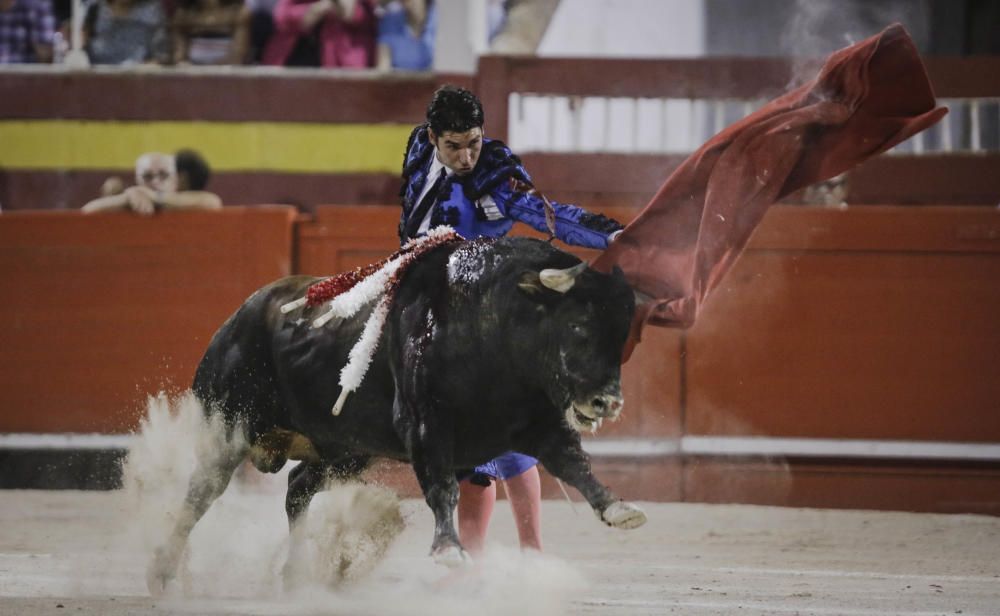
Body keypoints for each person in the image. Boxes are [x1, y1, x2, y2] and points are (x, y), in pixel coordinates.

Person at [398, 85, 623, 555]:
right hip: (425, 289)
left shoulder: (499, 177)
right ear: (433, 137)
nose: (466, 156)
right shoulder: (418, 145)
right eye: (454, 146)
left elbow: (552, 217)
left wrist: (614, 235)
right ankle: (512, 554)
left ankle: (515, 554)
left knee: (492, 437)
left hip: (484, 309)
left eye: (474, 143)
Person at [82, 152, 222, 215]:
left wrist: (153, 197)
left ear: (176, 179)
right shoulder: (132, 200)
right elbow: (88, 211)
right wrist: (129, 196)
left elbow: (212, 202)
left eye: (163, 175)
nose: (155, 181)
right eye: (147, 176)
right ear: (138, 180)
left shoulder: (185, 202)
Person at [262, 0, 376, 67]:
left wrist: (335, 7)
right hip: (293, 56)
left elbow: (356, 15)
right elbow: (282, 17)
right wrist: (313, 10)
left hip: (344, 63)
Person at [85, 0, 169, 65]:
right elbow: (81, 47)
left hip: (136, 80)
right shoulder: (95, 9)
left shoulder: (153, 13)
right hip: (96, 78)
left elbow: (159, 57)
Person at [171, 0, 250, 65]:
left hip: (227, 77)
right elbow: (179, 56)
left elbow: (236, 58)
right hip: (191, 77)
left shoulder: (239, 12)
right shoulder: (183, 14)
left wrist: (204, 71)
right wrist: (181, 63)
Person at [375, 0, 434, 71]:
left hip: (436, 80)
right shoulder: (390, 21)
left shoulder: (438, 20)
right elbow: (383, 66)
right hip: (398, 80)